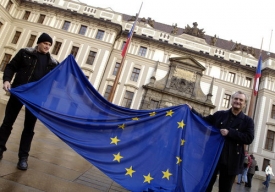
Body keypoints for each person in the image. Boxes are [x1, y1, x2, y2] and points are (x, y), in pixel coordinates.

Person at [0, 33, 58, 170]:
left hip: (36, 99)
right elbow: (11, 66)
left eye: (49, 45)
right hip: (19, 92)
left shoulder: (53, 63)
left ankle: (23, 158)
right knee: (7, 122)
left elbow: (60, 78)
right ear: (38, 43)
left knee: (29, 128)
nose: (47, 46)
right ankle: (0, 148)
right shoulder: (24, 53)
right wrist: (7, 80)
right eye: (45, 43)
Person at [187, 91, 254, 192]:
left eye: (241, 100)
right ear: (231, 100)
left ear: (244, 104)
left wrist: (230, 132)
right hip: (213, 157)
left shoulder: (248, 121)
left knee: (225, 189)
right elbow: (204, 121)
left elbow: (249, 138)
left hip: (231, 161)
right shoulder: (220, 114)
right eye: (236, 99)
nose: (238, 101)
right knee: (206, 186)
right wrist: (192, 111)